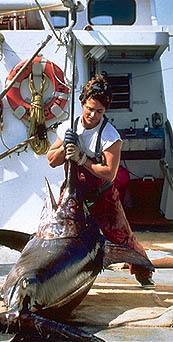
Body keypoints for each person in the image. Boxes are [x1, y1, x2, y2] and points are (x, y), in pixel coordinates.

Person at [47, 74, 155, 288]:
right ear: (82, 103)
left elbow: (109, 173)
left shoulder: (110, 136)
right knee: (58, 235)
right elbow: (51, 161)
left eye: (99, 111)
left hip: (101, 198)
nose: (93, 115)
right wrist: (63, 148)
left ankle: (143, 271)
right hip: (72, 194)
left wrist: (82, 158)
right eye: (89, 108)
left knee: (122, 238)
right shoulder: (67, 127)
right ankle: (57, 276)